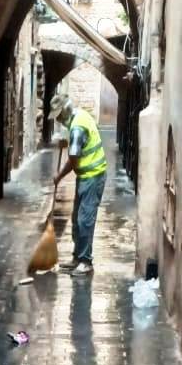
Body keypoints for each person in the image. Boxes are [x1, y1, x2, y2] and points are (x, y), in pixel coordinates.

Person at [49, 94, 107, 276]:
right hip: (86, 177)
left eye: (59, 115)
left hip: (93, 177)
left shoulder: (77, 127)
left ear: (65, 111)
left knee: (85, 220)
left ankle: (85, 262)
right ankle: (77, 258)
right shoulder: (80, 116)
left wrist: (59, 176)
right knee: (77, 219)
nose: (58, 119)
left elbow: (73, 159)